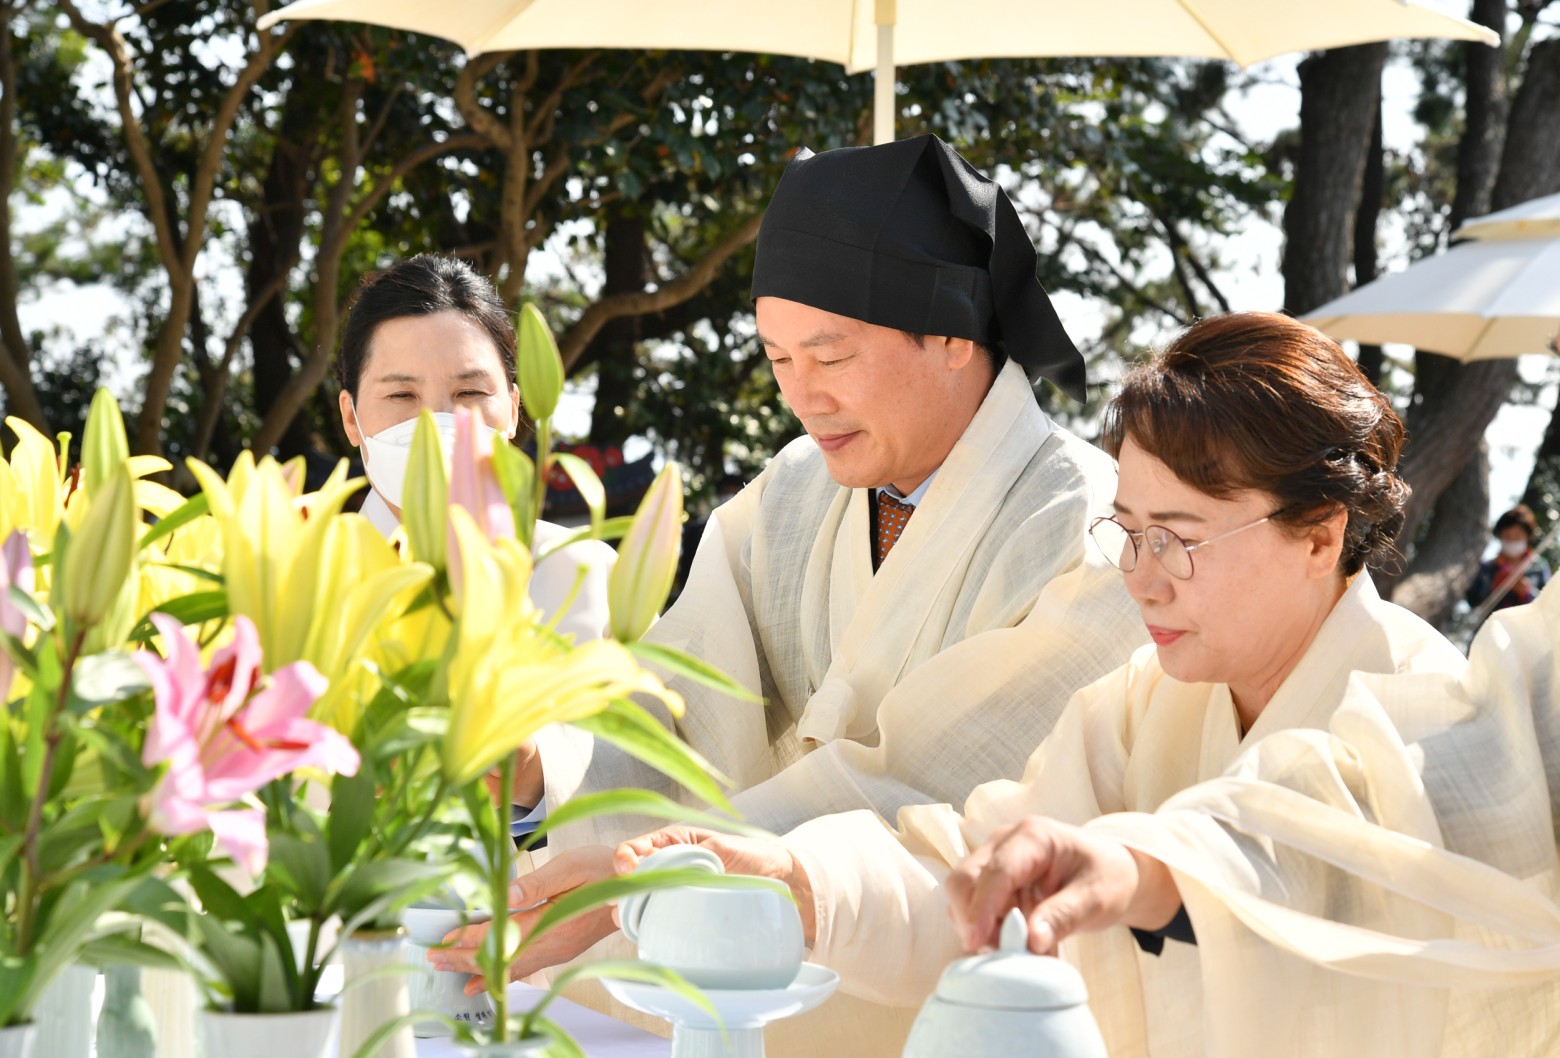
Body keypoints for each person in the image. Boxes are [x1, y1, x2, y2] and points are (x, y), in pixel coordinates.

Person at [605, 313, 1560, 1057]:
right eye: (1128, 533)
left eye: (1178, 539)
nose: (1141, 578)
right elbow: (984, 869)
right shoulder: (1142, 702)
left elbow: (1322, 844)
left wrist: (1148, 866)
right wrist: (800, 881)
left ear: (1319, 536)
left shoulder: (1420, 705)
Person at [439, 135, 1144, 1048]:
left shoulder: (1089, 525)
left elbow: (946, 788)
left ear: (951, 336)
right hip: (749, 993)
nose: (802, 397)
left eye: (831, 357)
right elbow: (675, 706)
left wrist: (658, 868)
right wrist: (543, 768)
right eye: (778, 361)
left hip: (950, 1009)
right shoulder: (796, 490)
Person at [334, 254, 614, 645]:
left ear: (513, 409)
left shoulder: (589, 576)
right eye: (401, 394)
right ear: (351, 418)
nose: (436, 424)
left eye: (469, 392)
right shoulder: (309, 580)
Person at [1465, 504, 1550, 615]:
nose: (1512, 541)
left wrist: (1526, 593)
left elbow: (1548, 606)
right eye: (1508, 536)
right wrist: (1493, 588)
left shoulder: (1539, 567)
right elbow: (1472, 602)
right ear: (1500, 537)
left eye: (1518, 537)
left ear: (1528, 536)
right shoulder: (1487, 568)